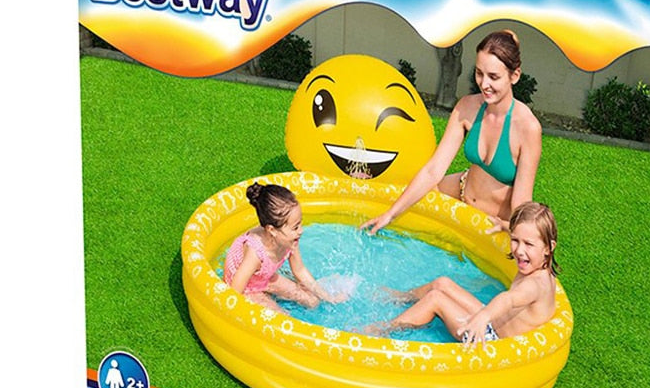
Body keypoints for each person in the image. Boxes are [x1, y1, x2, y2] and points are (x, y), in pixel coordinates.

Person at [362, 30, 542, 234]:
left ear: (514, 76)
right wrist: (390, 214)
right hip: (462, 191)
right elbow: (433, 170)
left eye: (493, 77)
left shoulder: (527, 128)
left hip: (494, 220)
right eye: (479, 73)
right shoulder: (468, 107)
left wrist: (507, 227)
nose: (484, 84)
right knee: (402, 202)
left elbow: (521, 203)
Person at [365, 202, 559, 346]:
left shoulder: (535, 284)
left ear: (548, 247)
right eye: (515, 240)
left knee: (435, 299)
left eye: (528, 244)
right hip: (491, 320)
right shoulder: (535, 260)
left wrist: (483, 318)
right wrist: (503, 225)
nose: (519, 250)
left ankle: (383, 329)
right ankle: (400, 297)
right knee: (442, 283)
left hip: (492, 341)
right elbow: (525, 234)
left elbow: (508, 299)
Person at [224, 182, 347, 311]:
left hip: (265, 279)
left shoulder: (290, 240)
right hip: (247, 288)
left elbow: (300, 271)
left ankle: (270, 293)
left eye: (300, 224)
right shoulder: (255, 253)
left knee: (312, 301)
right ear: (272, 230)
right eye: (295, 227)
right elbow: (235, 292)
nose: (301, 231)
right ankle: (268, 297)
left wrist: (328, 298)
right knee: (282, 317)